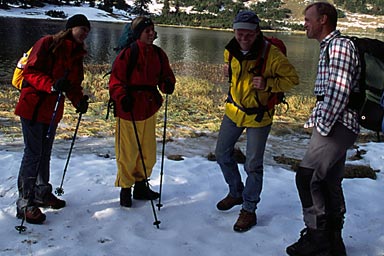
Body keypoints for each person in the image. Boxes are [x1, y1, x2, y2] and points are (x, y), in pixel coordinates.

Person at [286, 2, 361, 256]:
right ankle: (333, 242)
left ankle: (317, 238)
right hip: (339, 123)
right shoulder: (329, 47)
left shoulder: (339, 46)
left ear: (323, 20)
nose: (304, 23)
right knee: (329, 181)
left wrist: (323, 124)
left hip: (337, 123)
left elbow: (339, 91)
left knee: (306, 177)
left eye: (308, 19)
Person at [215, 10, 299, 232]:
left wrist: (269, 84)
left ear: (257, 32)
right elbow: (233, 72)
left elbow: (293, 79)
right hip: (233, 111)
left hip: (259, 116)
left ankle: (249, 209)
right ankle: (235, 192)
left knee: (253, 165)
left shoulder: (272, 55)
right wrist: (228, 74)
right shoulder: (230, 50)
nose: (243, 38)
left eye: (248, 34)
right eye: (239, 33)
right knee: (222, 154)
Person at [15, 14, 91, 224]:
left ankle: (41, 192)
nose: (85, 33)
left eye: (87, 30)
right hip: (33, 106)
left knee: (44, 152)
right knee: (33, 153)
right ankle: (24, 202)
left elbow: (73, 85)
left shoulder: (77, 55)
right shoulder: (48, 43)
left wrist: (79, 101)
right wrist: (51, 84)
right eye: (82, 28)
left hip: (52, 111)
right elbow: (30, 72)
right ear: (71, 28)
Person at [108, 16, 176, 208]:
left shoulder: (158, 53)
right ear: (139, 34)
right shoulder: (128, 54)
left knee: (147, 151)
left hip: (148, 107)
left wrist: (167, 84)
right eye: (148, 31)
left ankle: (141, 185)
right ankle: (125, 189)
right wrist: (122, 97)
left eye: (153, 30)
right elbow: (115, 81)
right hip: (128, 109)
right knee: (127, 152)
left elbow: (165, 76)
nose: (152, 34)